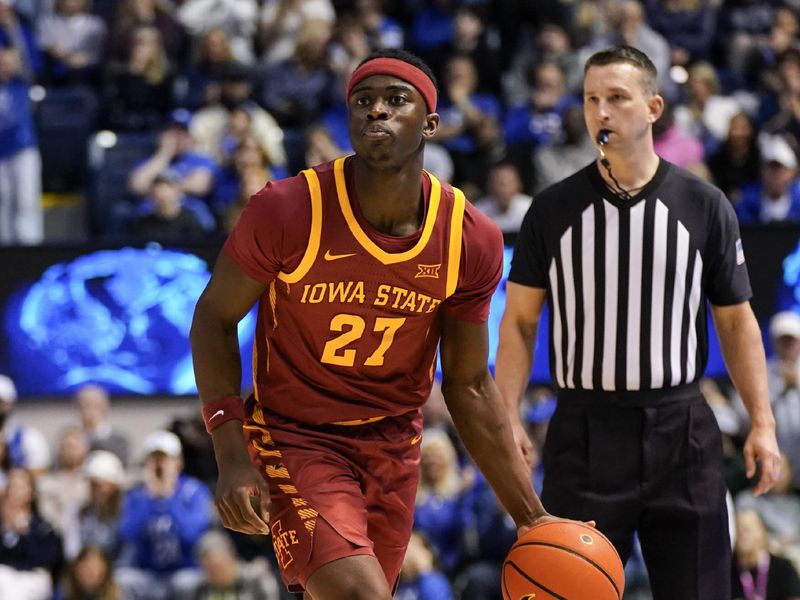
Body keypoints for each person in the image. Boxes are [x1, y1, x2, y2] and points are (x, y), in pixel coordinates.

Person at [190, 48, 556, 599]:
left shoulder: (468, 238)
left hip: (393, 445)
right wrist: (231, 451)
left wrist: (532, 517)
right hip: (296, 436)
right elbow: (213, 319)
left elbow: (467, 383)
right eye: (363, 101)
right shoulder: (290, 209)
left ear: (430, 124)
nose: (376, 111)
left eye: (395, 100)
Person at [495, 45, 781, 599]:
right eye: (591, 100)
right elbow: (521, 324)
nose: (601, 111)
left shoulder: (704, 204)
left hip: (681, 428)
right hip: (584, 431)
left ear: (652, 107)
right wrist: (506, 414)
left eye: (616, 99)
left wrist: (762, 422)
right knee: (563, 592)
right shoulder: (552, 210)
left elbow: (738, 323)